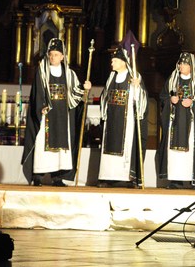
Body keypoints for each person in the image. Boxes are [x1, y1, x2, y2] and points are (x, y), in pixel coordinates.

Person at [22, 37, 86, 186]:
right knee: (42, 143)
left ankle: (58, 177)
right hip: (47, 114)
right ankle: (38, 176)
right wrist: (41, 106)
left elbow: (75, 93)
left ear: (62, 57)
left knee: (61, 148)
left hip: (63, 116)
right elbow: (37, 92)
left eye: (56, 55)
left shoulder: (69, 74)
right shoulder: (42, 71)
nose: (52, 57)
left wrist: (84, 88)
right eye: (50, 54)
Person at [157, 51, 195, 189]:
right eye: (180, 63)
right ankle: (176, 180)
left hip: (191, 124)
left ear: (191, 66)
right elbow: (163, 96)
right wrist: (170, 100)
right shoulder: (173, 80)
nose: (181, 66)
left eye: (185, 64)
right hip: (174, 123)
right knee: (175, 154)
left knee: (192, 151)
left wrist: (193, 103)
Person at [96, 47, 148, 188]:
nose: (112, 63)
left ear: (123, 62)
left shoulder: (134, 77)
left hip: (127, 120)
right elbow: (105, 95)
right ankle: (108, 177)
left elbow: (141, 100)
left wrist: (137, 88)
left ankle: (127, 178)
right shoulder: (111, 77)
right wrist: (105, 112)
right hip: (111, 119)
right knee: (109, 146)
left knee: (126, 146)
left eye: (114, 61)